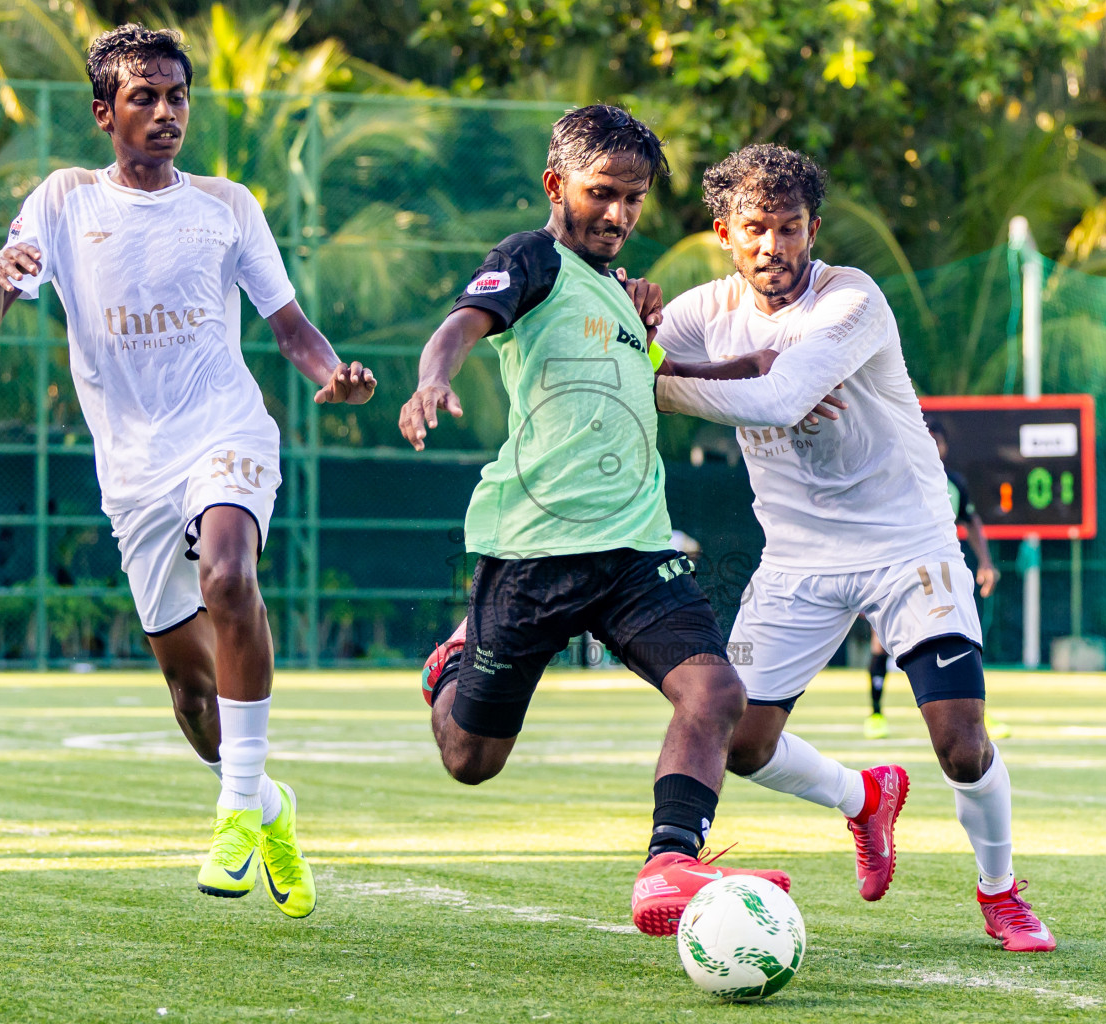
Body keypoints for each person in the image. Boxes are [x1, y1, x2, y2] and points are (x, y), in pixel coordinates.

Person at [0, 24, 377, 918]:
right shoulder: (63, 200)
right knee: (193, 699)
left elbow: (290, 328)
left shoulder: (227, 205)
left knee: (229, 574)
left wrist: (331, 376)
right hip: (134, 472)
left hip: (225, 431)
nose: (164, 112)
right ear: (103, 112)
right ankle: (266, 804)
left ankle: (234, 813)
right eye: (142, 97)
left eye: (176, 96)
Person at [646, 144, 1055, 952]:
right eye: (755, 229)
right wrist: (652, 344)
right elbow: (626, 359)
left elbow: (778, 396)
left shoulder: (852, 298)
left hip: (908, 544)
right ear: (724, 233)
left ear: (814, 228)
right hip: (795, 558)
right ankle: (864, 799)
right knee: (743, 742)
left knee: (960, 743)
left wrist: (666, 381)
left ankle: (1001, 893)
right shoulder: (702, 311)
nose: (774, 246)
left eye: (790, 227)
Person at [403, 105, 789, 938]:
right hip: (534, 550)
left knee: (716, 692)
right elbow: (460, 325)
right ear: (556, 185)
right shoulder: (532, 259)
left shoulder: (622, 294)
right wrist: (434, 379)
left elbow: (656, 376)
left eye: (634, 198)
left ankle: (670, 863)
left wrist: (746, 366)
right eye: (601, 193)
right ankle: (452, 665)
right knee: (471, 761)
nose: (618, 213)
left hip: (636, 548)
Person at [864, 415, 1002, 741]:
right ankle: (876, 713)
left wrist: (985, 563)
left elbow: (971, 520)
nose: (931, 446)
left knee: (960, 635)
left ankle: (977, 713)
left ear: (944, 446)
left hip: (940, 574)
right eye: (926, 438)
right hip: (897, 571)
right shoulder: (894, 477)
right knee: (880, 641)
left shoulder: (953, 483)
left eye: (936, 440)